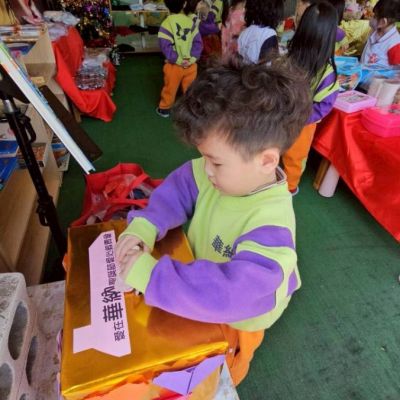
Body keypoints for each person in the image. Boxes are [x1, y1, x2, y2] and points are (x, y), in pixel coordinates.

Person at [116, 59, 312, 385]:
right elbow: (179, 188)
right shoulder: (225, 175)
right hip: (198, 286)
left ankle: (228, 380)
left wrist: (150, 276)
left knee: (219, 373)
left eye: (216, 162)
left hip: (237, 320)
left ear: (266, 160)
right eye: (205, 157)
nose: (206, 169)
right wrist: (146, 225)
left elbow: (233, 295)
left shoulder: (271, 226)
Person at [282, 1, 339, 194]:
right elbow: (325, 104)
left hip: (295, 120)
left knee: (289, 155)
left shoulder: (289, 57)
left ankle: (288, 187)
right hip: (300, 123)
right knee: (293, 158)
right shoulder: (327, 71)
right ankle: (289, 188)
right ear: (328, 37)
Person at [156, 0, 203, 118]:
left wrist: (177, 60)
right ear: (184, 4)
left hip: (174, 65)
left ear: (166, 5)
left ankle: (165, 109)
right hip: (191, 65)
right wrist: (192, 59)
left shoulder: (166, 23)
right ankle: (191, 110)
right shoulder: (190, 22)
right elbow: (198, 43)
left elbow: (165, 46)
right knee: (190, 88)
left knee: (170, 88)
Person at [361, 0, 400, 66]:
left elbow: (397, 70)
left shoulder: (395, 44)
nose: (371, 18)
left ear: (383, 22)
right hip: (363, 69)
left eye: (374, 16)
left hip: (376, 73)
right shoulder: (375, 31)